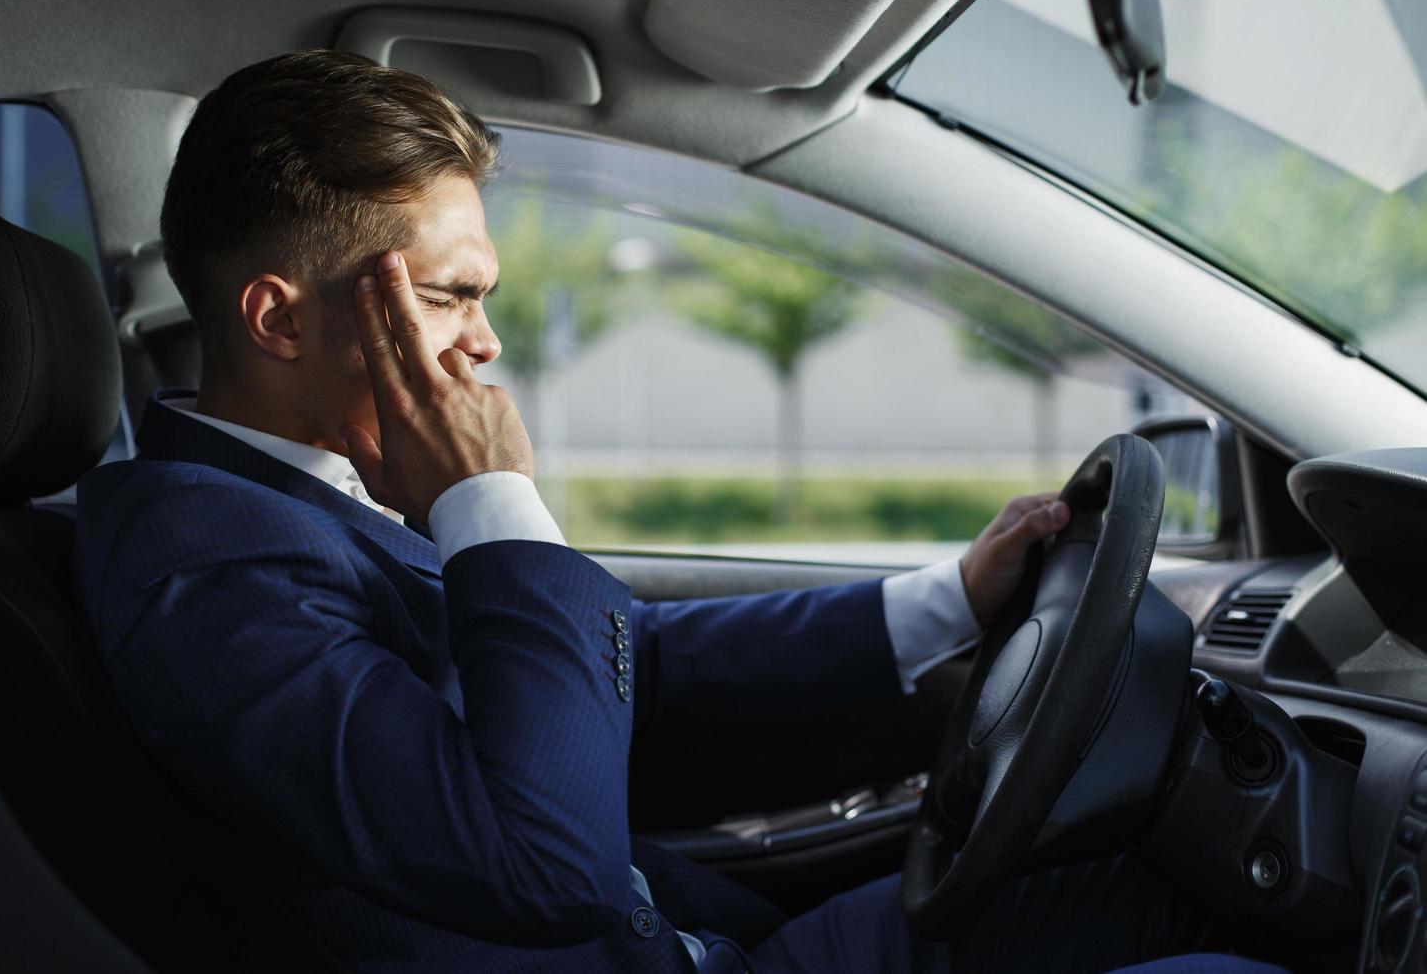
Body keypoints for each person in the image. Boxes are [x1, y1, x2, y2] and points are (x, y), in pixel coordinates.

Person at [74, 50, 1285, 973]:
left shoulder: (296, 494)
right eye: (448, 297)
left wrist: (948, 602)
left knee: (1167, 890)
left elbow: (616, 675)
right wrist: (488, 503)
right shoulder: (200, 563)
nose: (485, 342)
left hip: (698, 940)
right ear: (280, 321)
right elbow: (543, 865)